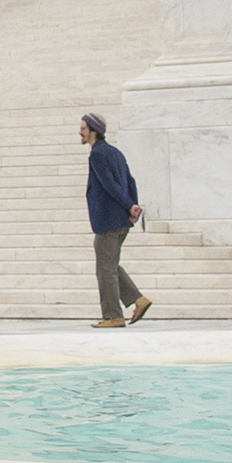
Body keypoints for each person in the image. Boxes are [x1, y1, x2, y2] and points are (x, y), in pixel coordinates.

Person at [79, 114, 151, 328]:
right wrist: (132, 205)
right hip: (120, 219)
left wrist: (130, 206)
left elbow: (109, 185)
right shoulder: (115, 153)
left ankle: (113, 316)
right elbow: (130, 181)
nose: (80, 132)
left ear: (94, 131)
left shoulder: (98, 155)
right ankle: (138, 300)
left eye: (83, 128)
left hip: (109, 220)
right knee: (109, 265)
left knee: (105, 269)